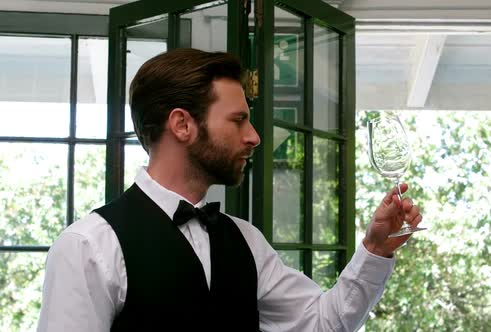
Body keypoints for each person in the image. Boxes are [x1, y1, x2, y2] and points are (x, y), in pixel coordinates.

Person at [37, 48, 423, 332]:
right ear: (183, 125)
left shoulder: (246, 241)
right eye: (238, 120)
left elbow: (323, 323)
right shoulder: (88, 247)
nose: (254, 137)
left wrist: (375, 250)